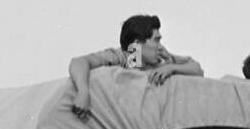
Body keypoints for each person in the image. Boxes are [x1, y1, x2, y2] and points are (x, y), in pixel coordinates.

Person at [69, 15, 204, 120]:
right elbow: (79, 62)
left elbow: (197, 69)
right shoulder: (120, 57)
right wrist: (83, 92)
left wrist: (171, 68)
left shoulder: (162, 59)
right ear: (137, 44)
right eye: (156, 40)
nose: (160, 46)